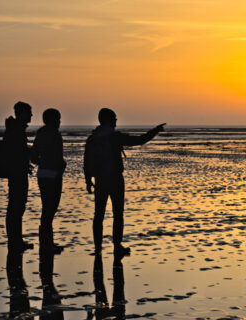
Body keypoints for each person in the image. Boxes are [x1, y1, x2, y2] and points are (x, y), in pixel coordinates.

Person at [83, 108, 164, 258]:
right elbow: (139, 140)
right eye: (114, 119)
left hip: (100, 180)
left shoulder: (92, 139)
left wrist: (88, 179)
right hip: (115, 179)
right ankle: (117, 246)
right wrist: (155, 131)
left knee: (98, 215)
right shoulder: (115, 137)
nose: (116, 121)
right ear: (109, 120)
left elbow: (86, 161)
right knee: (117, 214)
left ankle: (98, 248)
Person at [32, 108, 66, 254]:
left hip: (42, 173)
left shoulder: (40, 133)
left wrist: (43, 163)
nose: (60, 122)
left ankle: (46, 243)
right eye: (58, 119)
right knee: (50, 210)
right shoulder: (55, 135)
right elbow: (58, 157)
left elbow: (33, 155)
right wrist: (59, 167)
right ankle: (47, 244)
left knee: (46, 209)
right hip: (54, 174)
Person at [4, 101, 33, 252]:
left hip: (17, 172)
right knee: (17, 206)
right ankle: (15, 241)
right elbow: (17, 152)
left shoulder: (14, 129)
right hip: (17, 173)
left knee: (16, 207)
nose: (31, 115)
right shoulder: (16, 130)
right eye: (29, 112)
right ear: (21, 113)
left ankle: (15, 239)